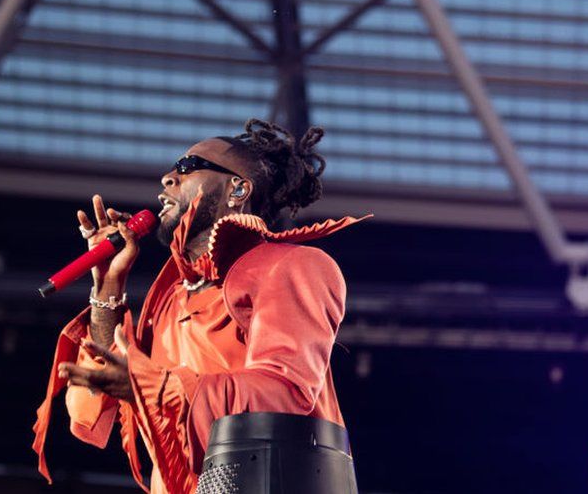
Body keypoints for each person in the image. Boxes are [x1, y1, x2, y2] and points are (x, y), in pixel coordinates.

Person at [32, 119, 367, 493]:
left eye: (188, 167)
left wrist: (157, 388)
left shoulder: (291, 266)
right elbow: (90, 409)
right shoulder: (171, 299)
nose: (167, 178)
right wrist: (108, 286)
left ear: (237, 188)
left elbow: (285, 393)